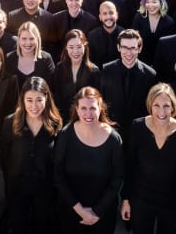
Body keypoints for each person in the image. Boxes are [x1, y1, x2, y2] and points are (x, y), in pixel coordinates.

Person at [121, 83, 176, 234]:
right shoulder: (137, 127)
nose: (162, 111)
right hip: (141, 199)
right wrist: (125, 200)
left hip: (171, 203)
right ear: (150, 106)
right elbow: (130, 167)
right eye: (157, 105)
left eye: (166, 106)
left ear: (173, 107)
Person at [53, 87, 124, 234]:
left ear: (100, 108)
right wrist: (80, 210)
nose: (88, 113)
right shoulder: (66, 135)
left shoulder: (113, 139)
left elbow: (117, 179)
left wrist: (96, 212)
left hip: (102, 215)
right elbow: (58, 176)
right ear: (76, 110)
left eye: (92, 108)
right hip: (71, 212)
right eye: (83, 108)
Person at [0, 76, 63, 234]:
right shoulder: (10, 122)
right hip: (17, 190)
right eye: (29, 100)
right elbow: (5, 157)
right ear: (22, 99)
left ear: (47, 98)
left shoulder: (56, 125)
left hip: (45, 191)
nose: (34, 106)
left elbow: (58, 160)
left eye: (39, 100)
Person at [100, 29, 157, 139]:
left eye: (133, 48)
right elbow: (101, 102)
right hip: (111, 132)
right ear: (118, 48)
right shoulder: (106, 70)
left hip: (139, 135)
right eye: (125, 48)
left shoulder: (150, 75)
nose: (129, 53)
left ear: (139, 49)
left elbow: (150, 108)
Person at [53, 29, 101, 119]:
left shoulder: (93, 71)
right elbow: (56, 97)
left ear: (85, 46)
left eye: (79, 47)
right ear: (66, 48)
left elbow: (96, 101)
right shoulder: (59, 68)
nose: (75, 51)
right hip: (62, 120)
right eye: (71, 47)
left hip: (86, 119)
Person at [131, 0, 175, 64]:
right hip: (141, 61)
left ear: (161, 2)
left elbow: (169, 47)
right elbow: (134, 42)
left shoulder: (169, 22)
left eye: (154, 2)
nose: (150, 5)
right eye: (147, 2)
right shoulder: (138, 17)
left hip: (162, 62)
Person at [4, 21, 56, 88]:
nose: (28, 43)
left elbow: (51, 88)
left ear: (37, 40)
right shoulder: (9, 58)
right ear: (19, 39)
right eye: (24, 39)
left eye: (31, 39)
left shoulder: (46, 59)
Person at [87, 1, 124, 69]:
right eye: (104, 14)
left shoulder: (125, 35)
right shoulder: (92, 36)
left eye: (111, 13)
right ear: (100, 17)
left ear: (117, 15)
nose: (108, 17)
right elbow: (90, 62)